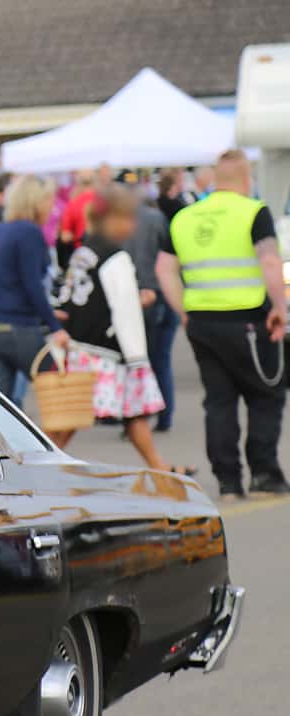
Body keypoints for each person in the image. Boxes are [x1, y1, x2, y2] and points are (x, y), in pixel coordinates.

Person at [157, 149, 289, 502]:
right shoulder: (253, 212)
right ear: (247, 180)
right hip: (248, 319)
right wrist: (280, 308)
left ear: (215, 179)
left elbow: (164, 270)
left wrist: (184, 310)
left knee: (219, 401)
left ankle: (228, 481)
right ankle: (264, 473)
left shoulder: (184, 217)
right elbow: (270, 263)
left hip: (202, 322)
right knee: (266, 394)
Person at [55, 185, 190, 472]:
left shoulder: (85, 251)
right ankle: (38, 465)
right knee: (74, 417)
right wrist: (138, 358)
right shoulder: (115, 258)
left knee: (132, 413)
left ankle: (159, 466)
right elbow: (124, 309)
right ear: (112, 219)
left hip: (82, 344)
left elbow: (76, 298)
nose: (133, 224)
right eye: (128, 218)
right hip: (108, 351)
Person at [0, 175, 69, 404]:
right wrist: (54, 325)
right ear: (36, 201)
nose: (52, 206)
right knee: (59, 394)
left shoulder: (2, 229)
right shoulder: (29, 232)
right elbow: (32, 284)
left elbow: (0, 277)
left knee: (0, 405)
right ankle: (46, 441)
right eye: (49, 200)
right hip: (18, 328)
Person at [127, 185, 181, 434]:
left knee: (139, 359)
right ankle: (165, 415)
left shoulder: (123, 224)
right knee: (161, 359)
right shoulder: (158, 219)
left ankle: (140, 418)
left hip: (136, 295)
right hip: (160, 293)